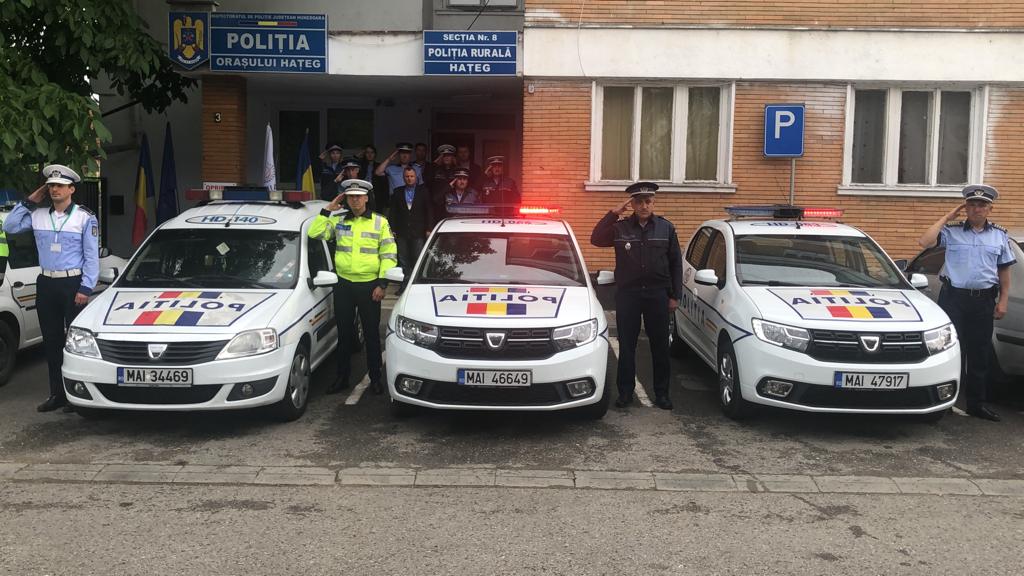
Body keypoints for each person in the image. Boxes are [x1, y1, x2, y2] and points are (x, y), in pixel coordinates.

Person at [3, 165, 99, 413]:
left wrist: (86, 287)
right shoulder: (38, 215)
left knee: (77, 341)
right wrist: (30, 200)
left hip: (73, 283)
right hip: (46, 283)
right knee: (52, 340)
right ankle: (57, 394)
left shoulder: (84, 217)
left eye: (60, 186)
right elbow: (10, 226)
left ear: (71, 189)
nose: (54, 189)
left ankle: (78, 395)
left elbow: (91, 257)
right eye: (51, 186)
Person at [918, 184, 1014, 422]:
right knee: (951, 351)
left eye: (982, 205)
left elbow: (1004, 271)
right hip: (954, 298)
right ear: (966, 208)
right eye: (972, 205)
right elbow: (925, 242)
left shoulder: (1000, 235)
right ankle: (947, 402)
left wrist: (1003, 300)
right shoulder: (951, 231)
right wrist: (947, 217)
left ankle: (976, 404)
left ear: (989, 209)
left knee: (979, 353)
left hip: (983, 300)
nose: (976, 209)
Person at [590, 182, 682, 410]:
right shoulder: (620, 228)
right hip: (628, 295)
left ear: (654, 203)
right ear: (632, 204)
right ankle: (625, 393)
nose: (644, 206)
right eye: (639, 202)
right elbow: (596, 238)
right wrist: (613, 213)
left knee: (660, 347)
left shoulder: (666, 228)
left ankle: (662, 394)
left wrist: (674, 296)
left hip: (657, 294)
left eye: (648, 201)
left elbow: (675, 264)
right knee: (627, 345)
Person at [308, 179, 397, 396]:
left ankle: (375, 378)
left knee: (371, 335)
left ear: (366, 198)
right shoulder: (338, 220)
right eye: (351, 197)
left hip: (369, 286)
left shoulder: (380, 222)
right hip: (344, 285)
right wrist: (327, 210)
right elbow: (314, 233)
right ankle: (342, 377)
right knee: (344, 334)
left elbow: (388, 255)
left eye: (358, 196)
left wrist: (382, 284)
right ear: (346, 199)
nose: (355, 200)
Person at [388, 166, 433, 295]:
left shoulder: (423, 191)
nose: (409, 178)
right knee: (403, 259)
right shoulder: (397, 191)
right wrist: (392, 229)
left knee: (417, 258)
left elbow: (429, 210)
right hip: (401, 231)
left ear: (416, 177)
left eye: (412, 176)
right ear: (403, 178)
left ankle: (417, 286)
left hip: (418, 231)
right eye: (407, 176)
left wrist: (429, 228)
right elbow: (393, 212)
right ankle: (405, 285)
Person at [428, 144, 458, 224]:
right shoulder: (435, 170)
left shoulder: (457, 171)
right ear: (441, 157)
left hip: (453, 209)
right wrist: (435, 163)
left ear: (452, 157)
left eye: (449, 155)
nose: (447, 158)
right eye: (444, 156)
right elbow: (427, 181)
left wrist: (457, 165)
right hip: (438, 209)